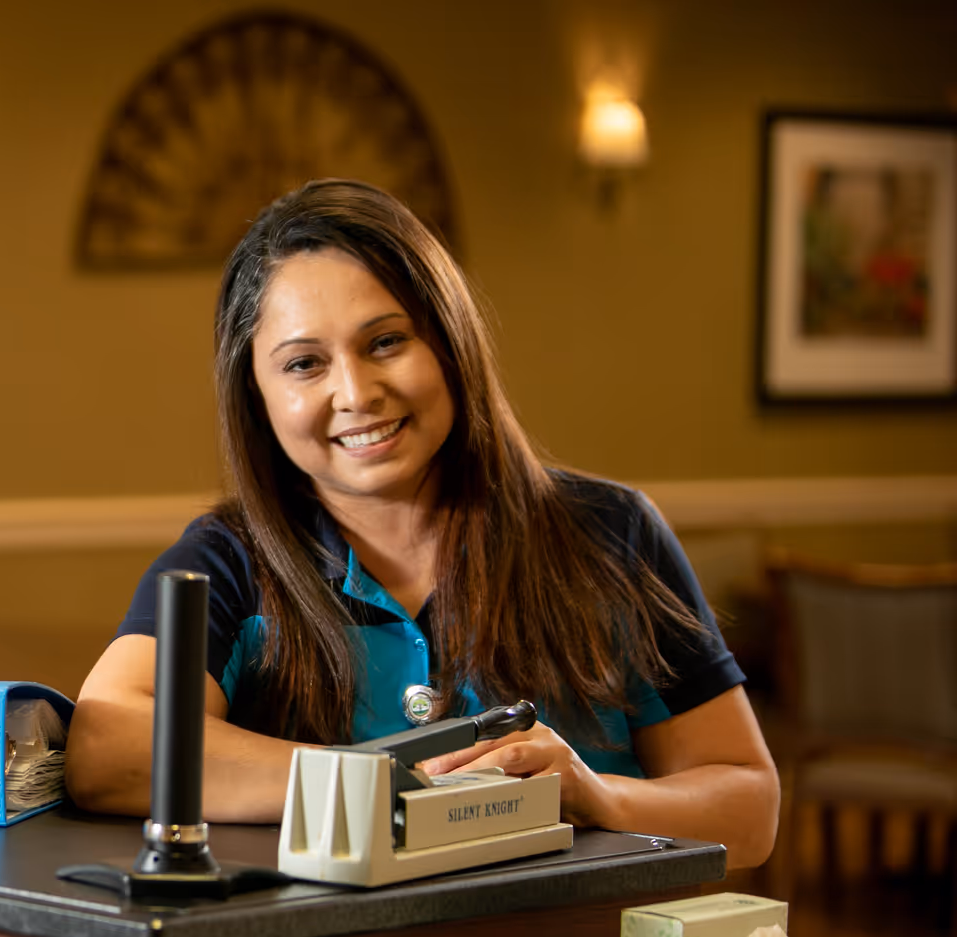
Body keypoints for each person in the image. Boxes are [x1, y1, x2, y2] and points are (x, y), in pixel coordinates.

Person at [66, 180, 779, 872]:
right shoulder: (228, 562)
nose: (355, 393)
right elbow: (109, 748)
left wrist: (599, 798)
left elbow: (749, 813)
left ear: (450, 341)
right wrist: (384, 784)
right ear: (257, 395)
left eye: (385, 342)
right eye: (305, 364)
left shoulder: (612, 534)